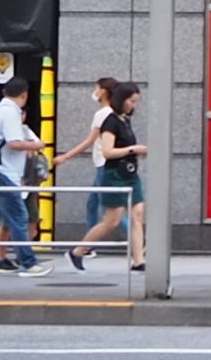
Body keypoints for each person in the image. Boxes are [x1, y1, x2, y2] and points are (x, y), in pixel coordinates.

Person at [69, 81, 146, 271]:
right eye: (131, 101)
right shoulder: (110, 121)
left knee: (137, 215)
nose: (132, 106)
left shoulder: (123, 120)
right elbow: (108, 152)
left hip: (129, 173)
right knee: (112, 221)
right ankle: (79, 250)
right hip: (114, 174)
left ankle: (139, 260)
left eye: (135, 102)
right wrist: (133, 149)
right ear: (121, 99)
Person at [0, 78, 49, 277]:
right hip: (4, 173)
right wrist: (37, 145)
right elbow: (14, 143)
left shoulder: (1, 109)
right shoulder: (9, 112)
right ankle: (28, 262)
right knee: (19, 218)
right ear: (24, 95)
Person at [53, 77, 131, 243]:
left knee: (110, 212)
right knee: (93, 204)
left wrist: (65, 156)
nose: (94, 91)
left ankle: (139, 238)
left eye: (96, 88)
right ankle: (89, 244)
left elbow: (89, 141)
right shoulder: (116, 113)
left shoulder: (103, 114)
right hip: (107, 165)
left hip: (104, 166)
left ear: (103, 91)